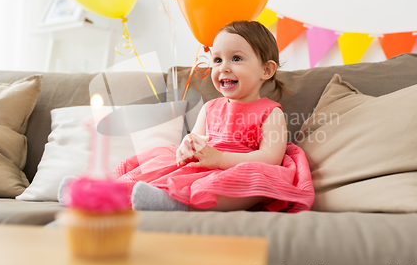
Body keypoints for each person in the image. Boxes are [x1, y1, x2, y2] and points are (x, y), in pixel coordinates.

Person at [115, 20, 314, 212]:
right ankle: (126, 193)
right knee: (166, 165)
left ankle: (179, 205)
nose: (223, 68)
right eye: (217, 60)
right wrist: (188, 147)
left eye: (236, 58)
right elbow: (197, 141)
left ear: (266, 70)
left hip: (239, 168)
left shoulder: (271, 112)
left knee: (255, 177)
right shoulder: (210, 107)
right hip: (206, 165)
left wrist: (221, 159)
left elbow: (270, 158)